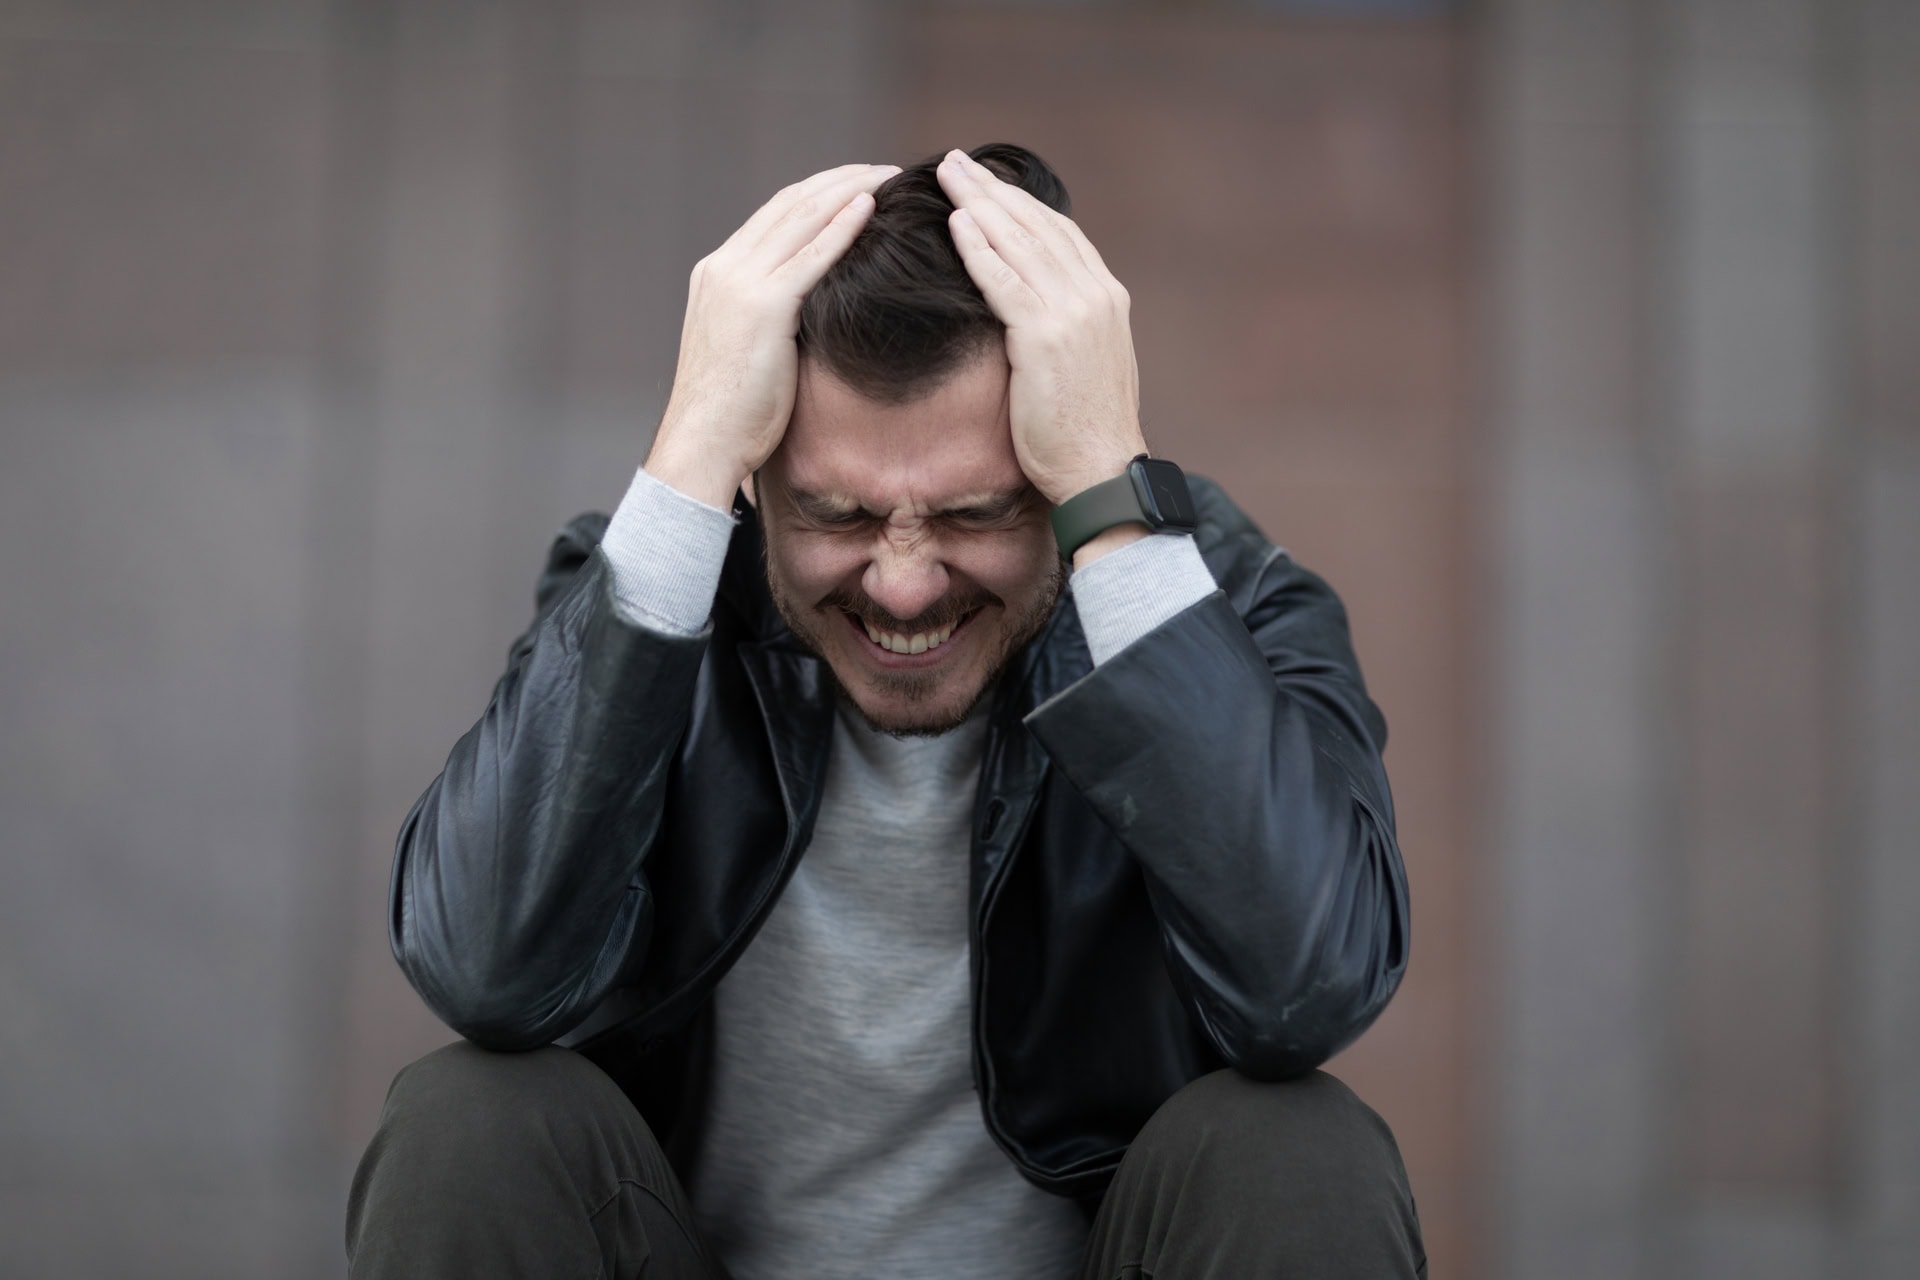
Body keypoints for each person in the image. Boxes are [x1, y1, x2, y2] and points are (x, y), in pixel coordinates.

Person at [346, 143, 1423, 1279]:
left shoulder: (1228, 604)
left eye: (972, 512)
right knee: (470, 1116)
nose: (903, 582)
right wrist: (690, 451)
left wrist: (1118, 507)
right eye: (837, 513)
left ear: (1056, 476)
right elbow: (485, 972)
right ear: (760, 479)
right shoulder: (659, 598)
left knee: (1297, 1148)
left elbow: (1307, 993)